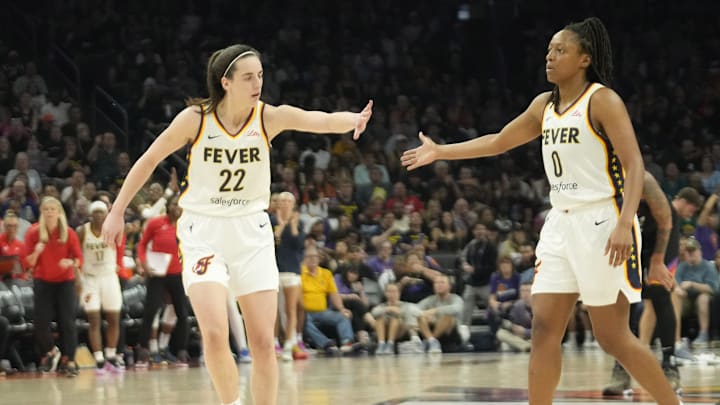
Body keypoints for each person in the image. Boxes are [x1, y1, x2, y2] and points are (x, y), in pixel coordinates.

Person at [401, 17, 679, 404]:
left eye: (560, 50)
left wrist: (622, 224)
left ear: (584, 58)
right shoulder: (543, 105)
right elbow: (499, 141)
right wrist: (440, 150)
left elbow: (634, 166)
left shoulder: (602, 100)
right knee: (544, 329)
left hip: (603, 220)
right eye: (549, 50)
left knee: (612, 336)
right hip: (560, 223)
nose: (550, 57)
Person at [102, 44, 372, 405]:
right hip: (204, 230)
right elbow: (150, 158)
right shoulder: (195, 119)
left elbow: (317, 119)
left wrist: (353, 120)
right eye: (248, 77)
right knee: (215, 334)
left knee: (262, 341)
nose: (257, 83)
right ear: (225, 82)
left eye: (260, 75)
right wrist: (118, 209)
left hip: (252, 232)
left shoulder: (268, 117)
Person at [603, 178, 701, 396]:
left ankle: (669, 364)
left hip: (662, 236)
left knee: (660, 294)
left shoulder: (643, 181)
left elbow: (665, 221)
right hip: (629, 236)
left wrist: (656, 261)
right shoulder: (605, 185)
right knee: (622, 299)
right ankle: (622, 366)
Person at [25, 196, 83, 377]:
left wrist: (70, 263)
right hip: (43, 281)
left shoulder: (69, 233)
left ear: (59, 213)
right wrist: (37, 251)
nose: (49, 212)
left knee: (67, 322)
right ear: (41, 212)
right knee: (40, 324)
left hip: (65, 281)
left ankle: (70, 360)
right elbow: (28, 263)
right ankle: (52, 351)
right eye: (46, 209)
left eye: (53, 209)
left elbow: (79, 259)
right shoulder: (33, 233)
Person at [77, 200, 125, 373]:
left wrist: (120, 264)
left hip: (109, 277)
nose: (98, 215)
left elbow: (121, 248)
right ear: (91, 214)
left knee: (113, 318)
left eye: (101, 212)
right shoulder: (82, 231)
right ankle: (98, 358)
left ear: (106, 214)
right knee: (94, 319)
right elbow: (76, 254)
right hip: (90, 279)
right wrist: (79, 281)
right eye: (95, 212)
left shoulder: (114, 229)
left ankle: (111, 355)